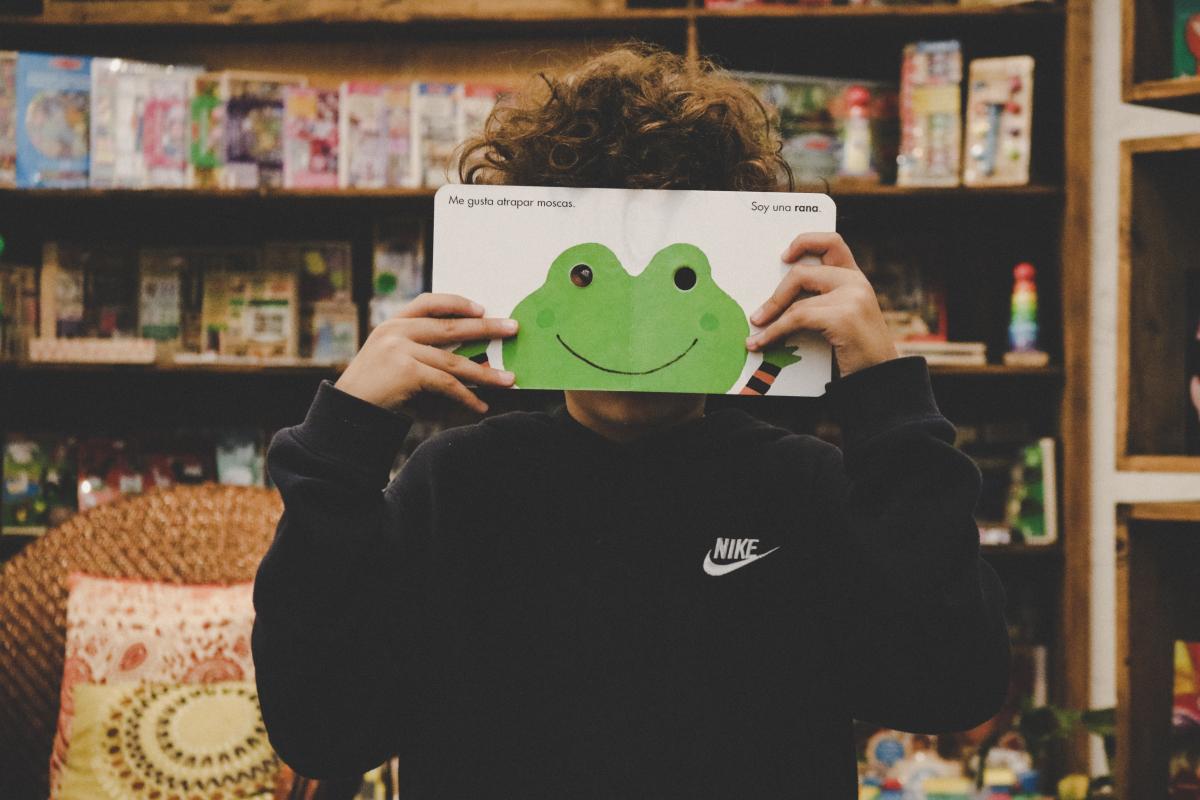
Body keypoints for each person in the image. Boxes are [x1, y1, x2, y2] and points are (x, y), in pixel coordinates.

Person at [252, 45, 1010, 798]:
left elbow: (950, 687)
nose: (635, 309)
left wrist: (889, 401)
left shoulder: (807, 487)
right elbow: (324, 726)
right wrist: (341, 444)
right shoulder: (453, 486)